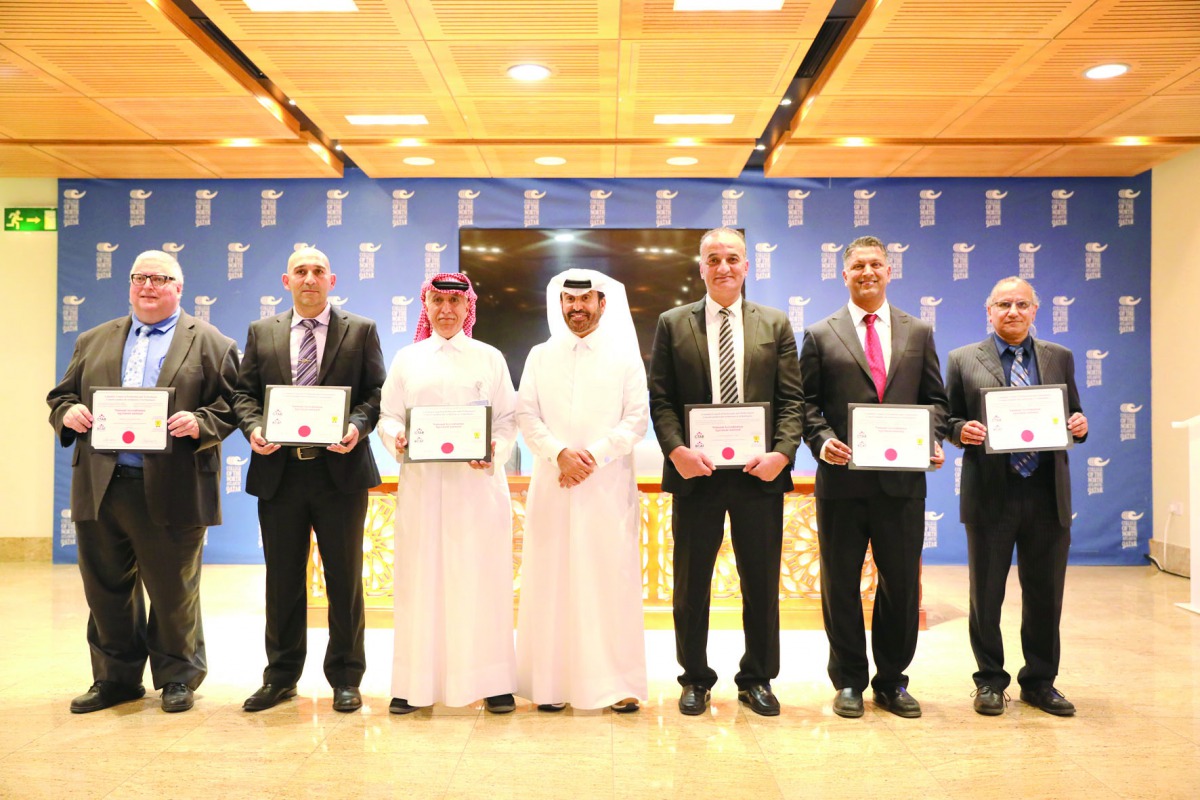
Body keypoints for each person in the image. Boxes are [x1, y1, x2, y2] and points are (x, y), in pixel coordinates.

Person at [47, 250, 239, 714]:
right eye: (139, 278)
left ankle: (177, 677)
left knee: (173, 589)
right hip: (102, 483)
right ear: (130, 285)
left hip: (173, 485)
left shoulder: (212, 342)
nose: (148, 286)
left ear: (179, 287)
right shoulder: (94, 339)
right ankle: (115, 678)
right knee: (106, 587)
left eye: (159, 278)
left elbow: (234, 405)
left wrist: (200, 423)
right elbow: (63, 395)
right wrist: (67, 413)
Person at [648, 227, 804, 717]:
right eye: (713, 259)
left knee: (760, 583)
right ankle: (695, 678)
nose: (723, 267)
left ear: (747, 266)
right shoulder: (673, 323)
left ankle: (757, 678)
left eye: (732, 258)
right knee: (691, 585)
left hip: (760, 476)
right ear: (700, 268)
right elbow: (661, 399)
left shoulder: (774, 324)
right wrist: (676, 452)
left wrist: (781, 454)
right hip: (697, 475)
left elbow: (792, 400)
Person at [799, 234, 947, 720]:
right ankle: (848, 681)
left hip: (902, 485)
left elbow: (936, 401)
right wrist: (822, 441)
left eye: (876, 265)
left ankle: (891, 681)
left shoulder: (918, 331)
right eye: (858, 265)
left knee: (901, 585)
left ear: (889, 271)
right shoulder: (821, 334)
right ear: (844, 274)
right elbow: (805, 405)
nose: (867, 272)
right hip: (841, 483)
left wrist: (932, 437)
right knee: (840, 583)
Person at [233, 246, 385, 714]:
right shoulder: (263, 332)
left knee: (345, 580)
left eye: (318, 271)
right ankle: (280, 677)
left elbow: (375, 393)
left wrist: (357, 427)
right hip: (281, 473)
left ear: (332, 279)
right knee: (281, 580)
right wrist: (255, 429)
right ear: (286, 280)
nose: (309, 278)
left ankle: (345, 677)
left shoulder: (360, 330)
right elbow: (243, 394)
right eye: (300, 271)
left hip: (339, 472)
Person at [946, 276, 1088, 717]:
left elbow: (1074, 415)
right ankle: (990, 681)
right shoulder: (963, 359)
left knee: (1046, 593)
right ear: (988, 312)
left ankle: (1040, 682)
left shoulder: (1058, 357)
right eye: (1003, 304)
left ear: (1034, 311)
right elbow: (946, 417)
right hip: (992, 493)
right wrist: (958, 431)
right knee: (986, 595)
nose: (1013, 312)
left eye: (1022, 304)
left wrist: (1080, 427)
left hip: (1047, 493)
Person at [378, 273, 519, 715]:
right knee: (421, 583)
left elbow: (508, 423)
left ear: (467, 307)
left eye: (454, 303)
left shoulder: (489, 358)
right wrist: (397, 438)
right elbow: (387, 416)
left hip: (476, 492)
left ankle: (493, 681)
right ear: (427, 305)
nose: (446, 310)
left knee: (481, 581)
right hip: (422, 492)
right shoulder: (407, 359)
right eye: (437, 301)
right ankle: (413, 684)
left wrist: (494, 449)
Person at [515, 269, 649, 713]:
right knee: (552, 582)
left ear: (602, 304)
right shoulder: (539, 355)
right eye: (569, 301)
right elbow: (526, 416)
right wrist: (559, 455)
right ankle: (551, 687)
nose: (576, 308)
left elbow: (636, 421)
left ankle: (616, 686)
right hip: (553, 487)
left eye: (585, 300)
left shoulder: (625, 358)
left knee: (608, 582)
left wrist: (589, 458)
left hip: (605, 491)